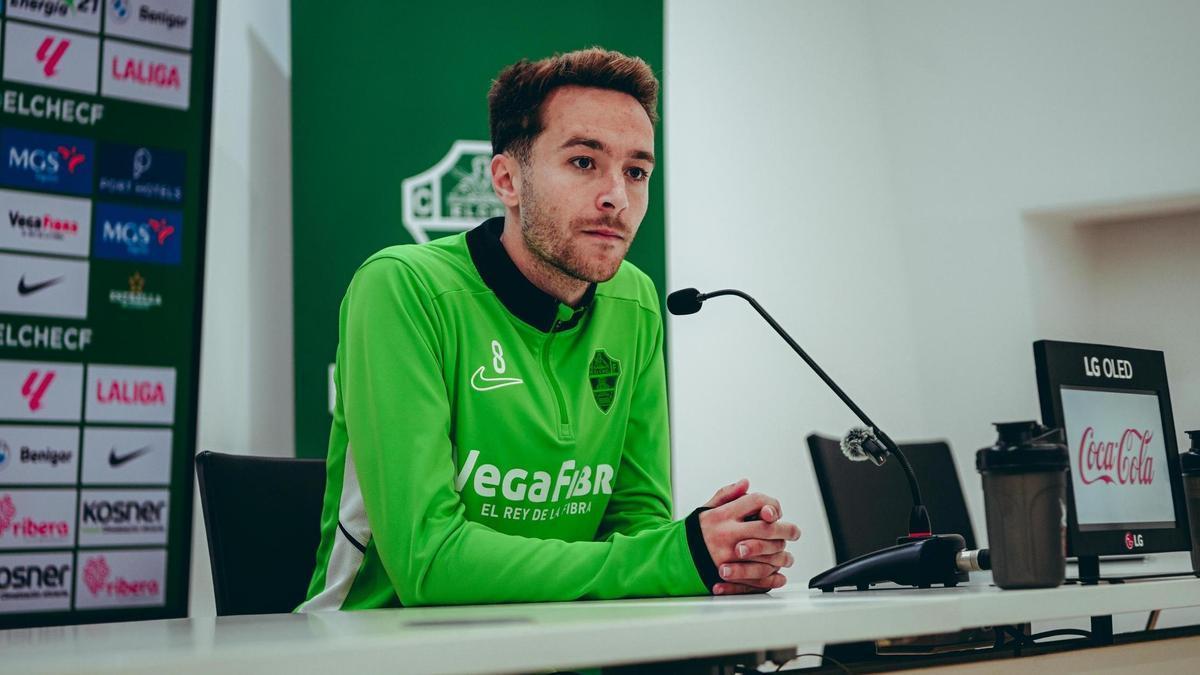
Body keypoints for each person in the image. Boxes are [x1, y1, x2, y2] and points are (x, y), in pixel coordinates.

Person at [299, 48, 799, 610]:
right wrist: (673, 555)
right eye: (585, 162)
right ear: (508, 180)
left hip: (562, 651)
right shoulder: (401, 289)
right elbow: (429, 563)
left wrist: (720, 555)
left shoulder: (633, 300)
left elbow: (634, 521)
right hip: (376, 652)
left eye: (636, 171)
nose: (617, 197)